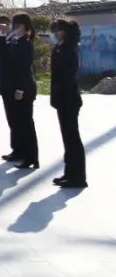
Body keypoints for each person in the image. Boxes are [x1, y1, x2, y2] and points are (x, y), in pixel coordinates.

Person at [50, 18, 87, 188]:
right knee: (67, 138)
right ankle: (69, 173)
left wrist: (60, 93)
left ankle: (78, 177)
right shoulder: (60, 48)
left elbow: (68, 77)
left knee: (72, 138)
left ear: (65, 32)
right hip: (62, 99)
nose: (55, 33)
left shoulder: (70, 49)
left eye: (58, 30)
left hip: (69, 99)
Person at [6, 13, 39, 169]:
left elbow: (24, 68)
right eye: (14, 25)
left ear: (26, 27)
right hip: (17, 86)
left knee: (26, 125)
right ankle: (23, 154)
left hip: (24, 88)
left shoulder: (26, 43)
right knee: (19, 123)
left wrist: (20, 89)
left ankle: (31, 157)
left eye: (18, 25)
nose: (15, 28)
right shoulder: (16, 42)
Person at [0, 15, 18, 160]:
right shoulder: (2, 38)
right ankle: (16, 149)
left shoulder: (15, 39)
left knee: (17, 120)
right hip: (5, 83)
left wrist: (5, 36)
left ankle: (20, 150)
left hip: (14, 84)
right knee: (11, 119)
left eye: (2, 25)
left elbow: (10, 58)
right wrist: (1, 36)